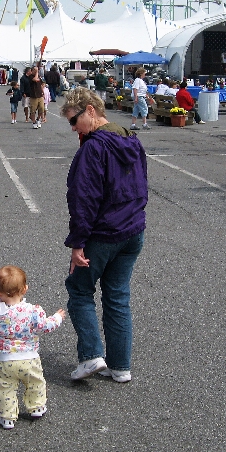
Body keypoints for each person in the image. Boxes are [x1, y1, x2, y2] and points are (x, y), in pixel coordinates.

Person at [60, 87, 147, 383]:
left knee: (80, 289)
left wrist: (78, 243)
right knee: (117, 295)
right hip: (133, 230)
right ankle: (120, 366)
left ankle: (91, 355)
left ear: (90, 111)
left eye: (74, 121)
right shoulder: (130, 139)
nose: (73, 128)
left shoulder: (93, 148)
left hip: (104, 232)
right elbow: (142, 184)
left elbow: (84, 199)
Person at [0, 266, 65, 430]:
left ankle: (7, 417)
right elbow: (44, 326)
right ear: (25, 289)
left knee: (5, 389)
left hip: (5, 360)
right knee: (35, 384)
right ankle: (36, 408)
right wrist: (57, 318)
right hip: (29, 358)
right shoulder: (33, 311)